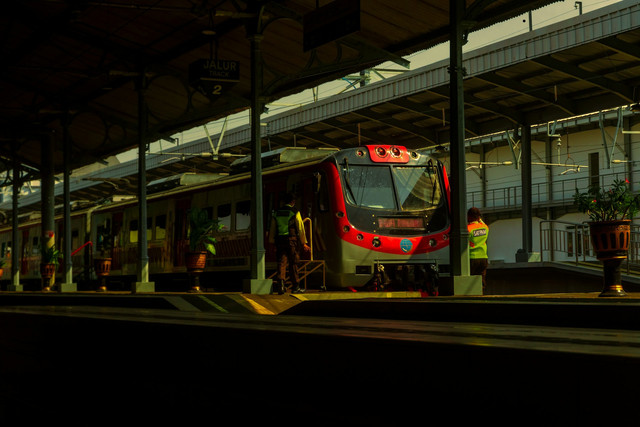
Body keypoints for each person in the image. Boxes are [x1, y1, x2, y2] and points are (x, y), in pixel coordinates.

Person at [269, 193, 310, 294]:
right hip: (291, 240)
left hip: (280, 241)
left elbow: (272, 228)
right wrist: (304, 242)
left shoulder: (276, 213)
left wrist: (272, 241)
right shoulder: (294, 212)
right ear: (293, 202)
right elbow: (300, 228)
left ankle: (281, 286)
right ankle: (295, 287)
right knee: (293, 263)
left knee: (281, 262)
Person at [467, 207, 489, 294]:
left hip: (472, 257)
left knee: (470, 281)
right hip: (483, 257)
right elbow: (481, 221)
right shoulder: (485, 227)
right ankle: (481, 295)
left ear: (469, 217)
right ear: (479, 217)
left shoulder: (468, 229)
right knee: (481, 280)